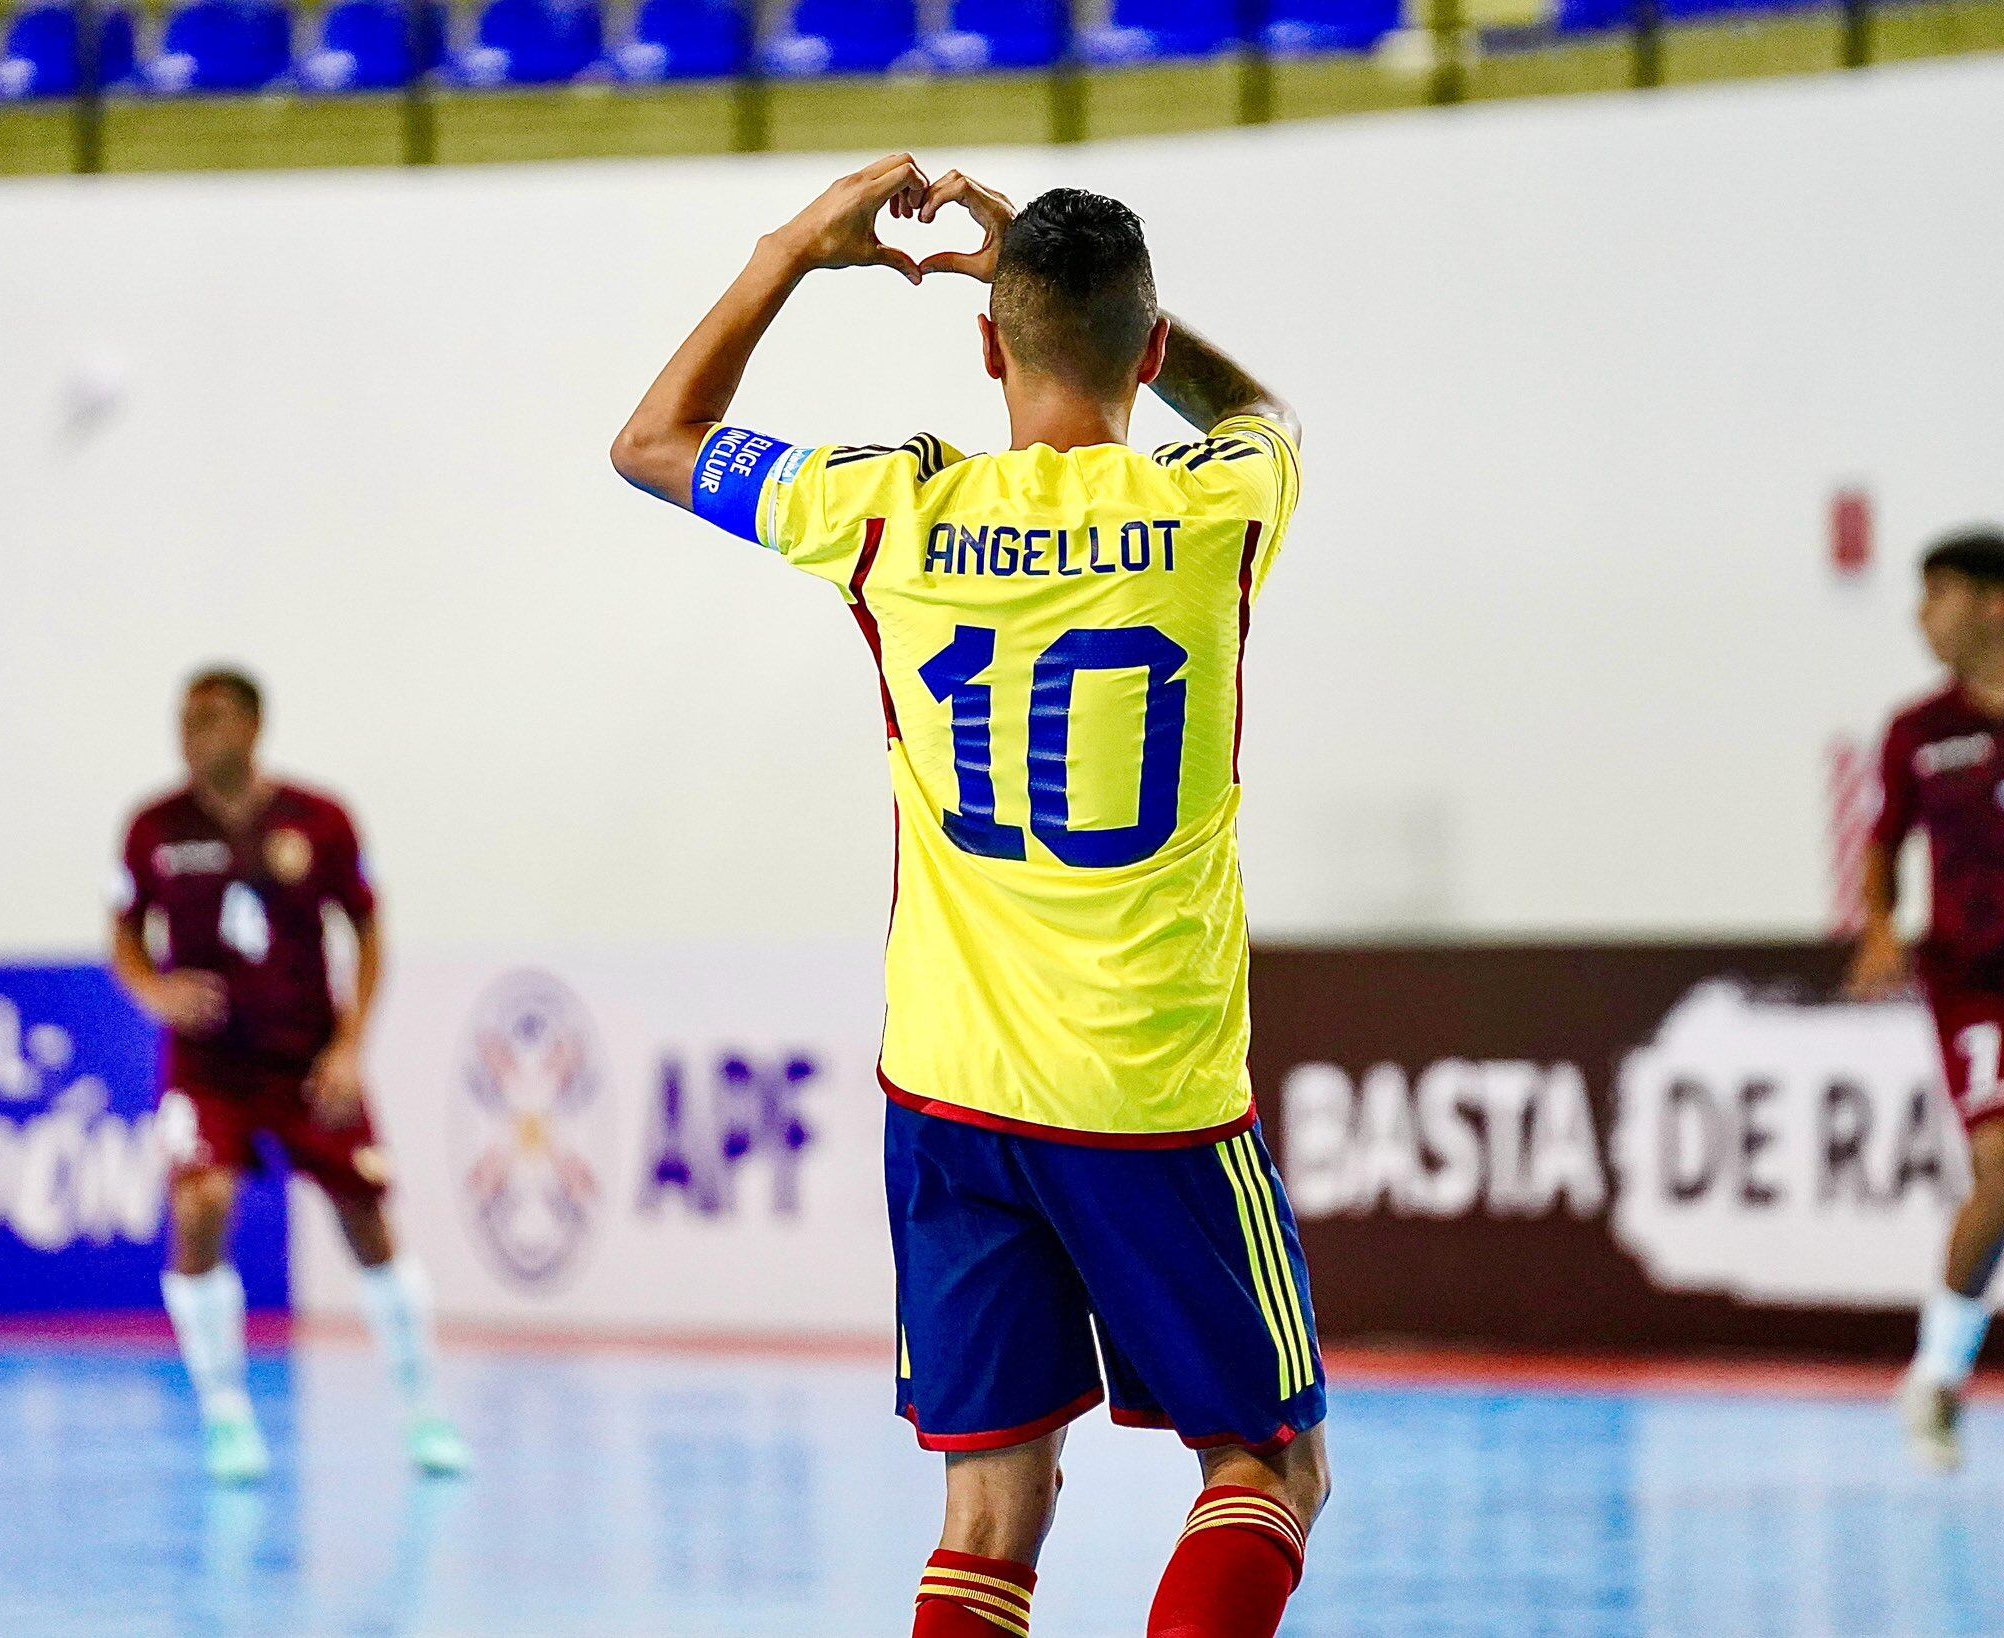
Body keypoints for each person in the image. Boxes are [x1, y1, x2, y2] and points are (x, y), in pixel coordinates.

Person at [611, 156, 1326, 1638]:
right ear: (1144, 345)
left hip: (948, 1088)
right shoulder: (1215, 509)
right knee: (1266, 1464)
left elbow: (655, 439)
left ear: (989, 344)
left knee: (991, 1514)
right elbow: (1266, 416)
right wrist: (1128, 321)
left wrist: (793, 248)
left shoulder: (896, 506)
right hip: (1148, 1083)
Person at [113, 667, 469, 1484]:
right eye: (183, 720)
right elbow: (124, 931)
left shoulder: (321, 819)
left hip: (308, 1061)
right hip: (207, 1068)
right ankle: (227, 1417)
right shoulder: (154, 828)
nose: (192, 735)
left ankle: (424, 1417)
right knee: (200, 1205)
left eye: (210, 719)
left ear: (252, 726)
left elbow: (369, 934)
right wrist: (152, 990)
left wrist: (349, 1048)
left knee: (367, 1219)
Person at [1849, 526, 2004, 1470]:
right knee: (2003, 1167)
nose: (1920, 617)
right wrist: (1878, 924)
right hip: (1976, 985)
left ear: (1991, 603)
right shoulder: (1919, 732)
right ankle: (1940, 1374)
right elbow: (1882, 846)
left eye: (1935, 594)